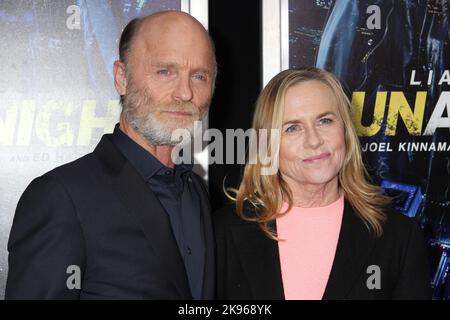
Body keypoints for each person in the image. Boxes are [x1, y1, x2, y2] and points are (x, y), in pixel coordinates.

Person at [6, 11, 216, 299]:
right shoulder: (61, 196)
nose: (185, 92)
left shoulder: (196, 193)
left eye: (199, 76)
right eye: (165, 71)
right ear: (122, 78)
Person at [214, 67, 432, 300]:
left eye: (325, 121)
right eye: (293, 128)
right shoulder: (221, 232)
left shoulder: (398, 237)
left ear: (346, 131)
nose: (314, 140)